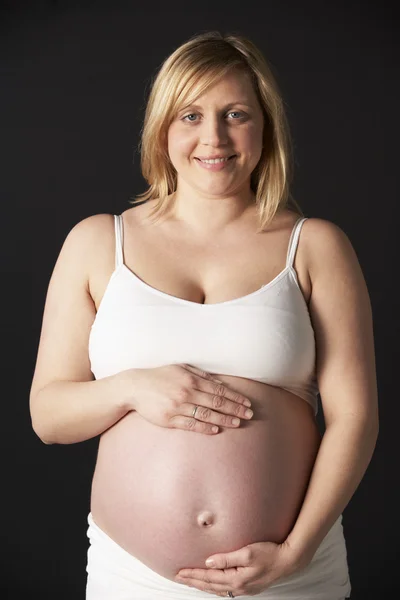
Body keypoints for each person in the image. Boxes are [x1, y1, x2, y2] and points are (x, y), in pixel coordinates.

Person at [29, 30, 378, 600]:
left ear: (264, 127)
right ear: (162, 127)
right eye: (190, 115)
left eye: (235, 114)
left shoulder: (315, 246)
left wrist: (297, 551)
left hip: (291, 575)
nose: (212, 137)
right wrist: (133, 388)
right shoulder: (97, 242)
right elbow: (48, 415)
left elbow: (355, 418)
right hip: (133, 577)